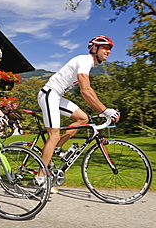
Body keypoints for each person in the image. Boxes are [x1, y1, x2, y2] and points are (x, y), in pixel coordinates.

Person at [36, 35, 121, 190]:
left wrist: (102, 110)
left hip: (56, 96)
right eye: (105, 48)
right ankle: (40, 177)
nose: (108, 51)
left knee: (83, 119)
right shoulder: (85, 60)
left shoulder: (88, 64)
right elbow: (86, 90)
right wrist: (105, 110)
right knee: (54, 134)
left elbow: (88, 91)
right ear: (94, 49)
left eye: (110, 49)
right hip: (49, 94)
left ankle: (55, 148)